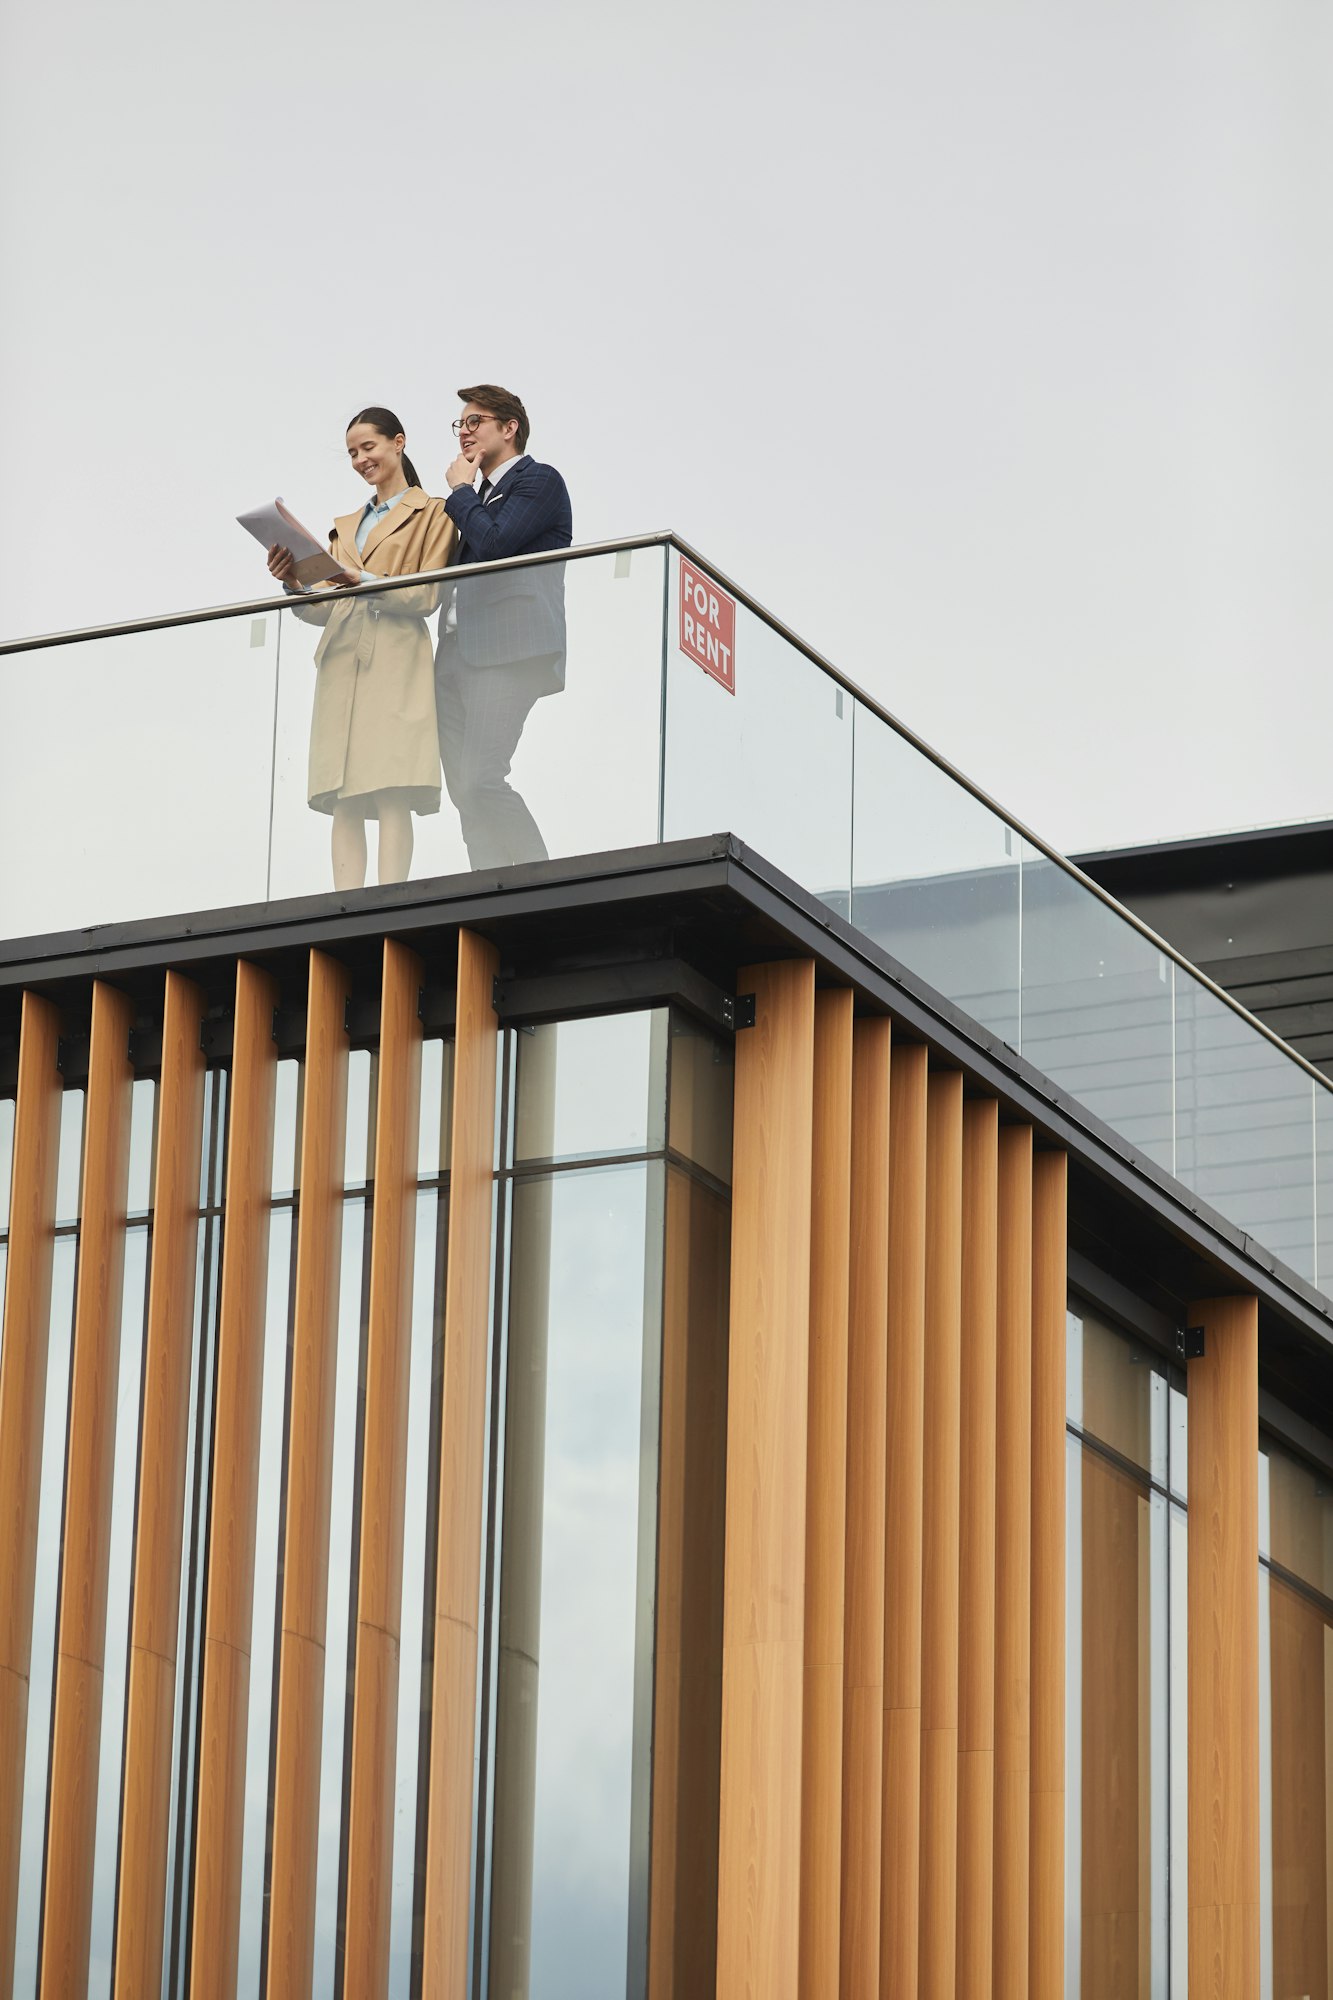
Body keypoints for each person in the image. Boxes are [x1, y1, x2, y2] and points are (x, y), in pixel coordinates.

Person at [267, 407, 455, 889]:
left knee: (391, 787)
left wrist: (360, 579)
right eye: (352, 453)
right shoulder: (345, 526)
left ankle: (392, 902)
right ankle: (344, 907)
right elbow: (324, 609)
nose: (360, 459)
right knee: (343, 796)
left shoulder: (433, 512)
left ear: (399, 442)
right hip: (341, 661)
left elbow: (425, 596)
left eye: (367, 447)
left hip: (394, 658)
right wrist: (295, 584)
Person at [435, 383, 573, 868]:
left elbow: (496, 544)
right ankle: (486, 894)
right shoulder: (476, 499)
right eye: (461, 425)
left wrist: (459, 492)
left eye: (475, 422)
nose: (464, 433)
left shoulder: (538, 481)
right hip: (453, 656)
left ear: (509, 428)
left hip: (506, 651)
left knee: (481, 778)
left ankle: (540, 881)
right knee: (464, 792)